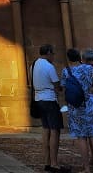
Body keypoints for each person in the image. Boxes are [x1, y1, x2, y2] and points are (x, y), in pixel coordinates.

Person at [62, 48, 93, 173]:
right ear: (80, 57)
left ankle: (87, 169)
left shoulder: (66, 71)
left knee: (81, 138)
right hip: (91, 105)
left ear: (69, 59)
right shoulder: (89, 68)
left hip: (76, 108)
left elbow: (63, 88)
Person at [32, 44, 69, 173]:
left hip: (38, 100)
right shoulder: (49, 66)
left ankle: (47, 162)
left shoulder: (34, 65)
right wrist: (60, 88)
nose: (53, 56)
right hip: (49, 100)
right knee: (55, 130)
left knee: (46, 129)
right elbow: (56, 84)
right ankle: (54, 164)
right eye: (52, 53)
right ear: (48, 53)